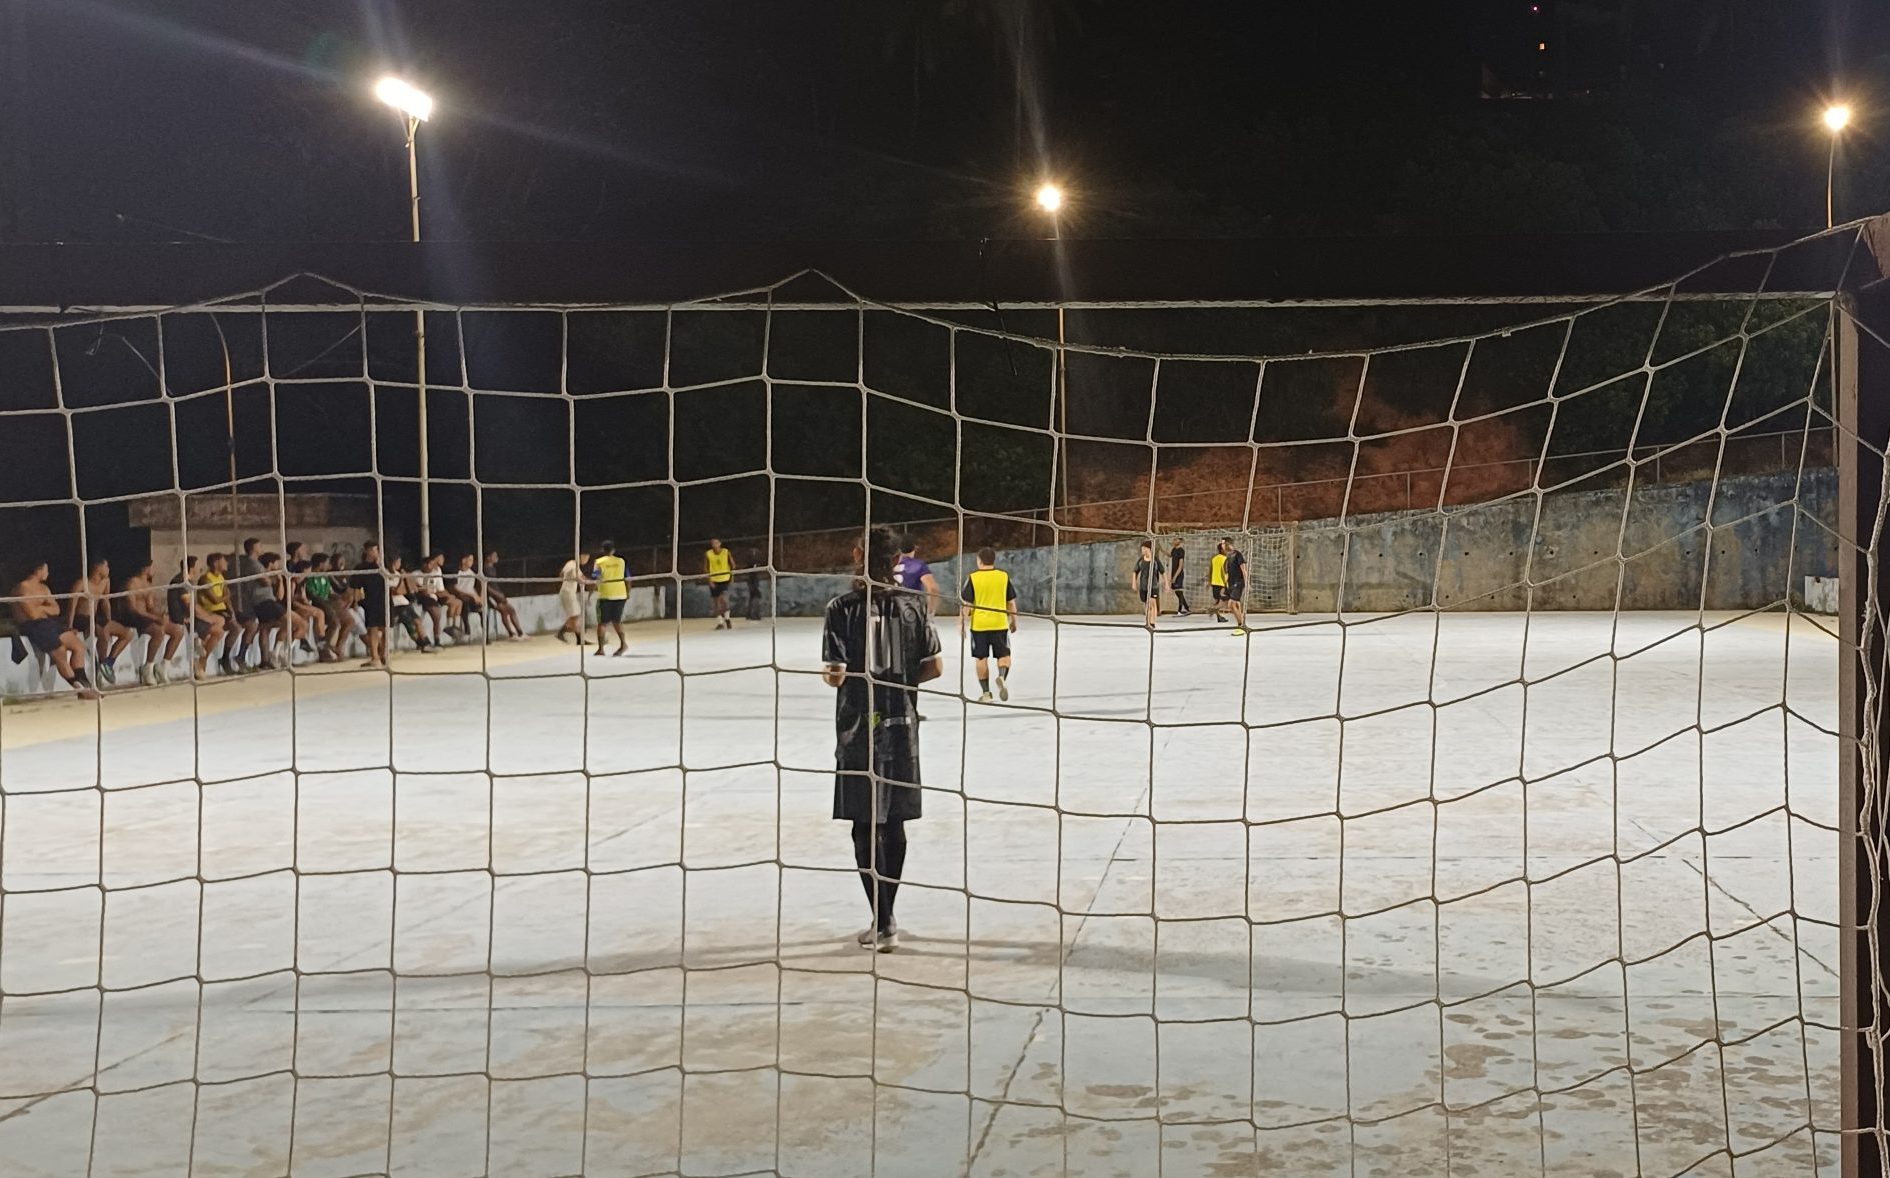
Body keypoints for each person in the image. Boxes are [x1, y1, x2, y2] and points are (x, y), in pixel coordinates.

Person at [821, 525, 943, 954]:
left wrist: (848, 677)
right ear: (898, 561)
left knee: (864, 822)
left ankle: (882, 918)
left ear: (857, 554)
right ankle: (888, 917)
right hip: (901, 725)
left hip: (858, 727)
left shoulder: (841, 608)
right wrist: (901, 683)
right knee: (895, 821)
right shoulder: (914, 606)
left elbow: (835, 674)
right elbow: (935, 667)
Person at [11, 562, 99, 699]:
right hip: (33, 626)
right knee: (60, 653)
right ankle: (80, 689)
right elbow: (33, 615)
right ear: (38, 570)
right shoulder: (23, 588)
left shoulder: (44, 588)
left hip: (48, 623)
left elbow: (56, 609)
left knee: (78, 646)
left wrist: (41, 608)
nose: (48, 573)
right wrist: (44, 608)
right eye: (46, 570)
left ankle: (85, 684)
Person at [960, 546, 1017, 703]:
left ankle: (986, 693)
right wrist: (1014, 620)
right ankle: (1001, 676)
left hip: (979, 625)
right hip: (999, 623)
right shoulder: (1003, 577)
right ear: (993, 560)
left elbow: (967, 604)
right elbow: (1011, 602)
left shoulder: (973, 578)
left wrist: (962, 623)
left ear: (979, 561)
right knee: (1004, 655)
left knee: (981, 658)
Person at [69, 558, 133, 685]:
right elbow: (72, 606)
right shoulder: (82, 583)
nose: (109, 569)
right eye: (106, 566)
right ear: (98, 568)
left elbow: (105, 602)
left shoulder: (105, 582)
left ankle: (108, 663)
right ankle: (101, 666)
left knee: (127, 633)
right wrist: (70, 625)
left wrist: (109, 619)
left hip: (96, 617)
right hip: (82, 618)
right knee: (104, 632)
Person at [123, 559, 184, 686]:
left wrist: (161, 615)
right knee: (158, 632)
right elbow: (132, 609)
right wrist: (154, 618)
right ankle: (148, 667)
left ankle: (163, 666)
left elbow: (150, 607)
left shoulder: (148, 585)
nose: (154, 571)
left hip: (148, 617)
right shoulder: (132, 583)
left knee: (178, 631)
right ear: (146, 569)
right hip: (136, 618)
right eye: (152, 568)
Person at [169, 556, 225, 680]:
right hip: (183, 617)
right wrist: (206, 618)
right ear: (192, 567)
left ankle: (200, 655)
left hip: (190, 615)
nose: (201, 568)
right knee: (218, 629)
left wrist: (207, 616)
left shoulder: (190, 581)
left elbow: (195, 605)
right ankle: (200, 659)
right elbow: (190, 606)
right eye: (198, 565)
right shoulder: (180, 581)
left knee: (220, 622)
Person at [250, 552, 304, 670]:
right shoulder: (262, 573)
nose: (279, 565)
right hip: (266, 603)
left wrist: (279, 580)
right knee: (300, 623)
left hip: (267, 603)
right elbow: (267, 585)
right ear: (271, 563)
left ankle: (266, 659)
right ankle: (281, 652)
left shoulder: (273, 576)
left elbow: (280, 596)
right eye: (277, 562)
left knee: (267, 628)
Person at [198, 553, 243, 675]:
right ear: (216, 563)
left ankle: (225, 657)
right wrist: (227, 595)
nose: (226, 563)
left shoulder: (221, 577)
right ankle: (214, 659)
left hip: (222, 611)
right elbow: (215, 599)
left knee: (236, 628)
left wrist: (231, 611)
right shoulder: (205, 579)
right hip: (211, 611)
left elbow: (225, 597)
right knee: (232, 628)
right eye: (224, 561)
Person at [304, 554, 351, 663]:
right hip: (318, 603)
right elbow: (313, 596)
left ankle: (337, 647)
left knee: (349, 621)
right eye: (327, 563)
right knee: (334, 623)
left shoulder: (325, 576)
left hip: (328, 603)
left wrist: (340, 598)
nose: (329, 565)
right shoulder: (310, 577)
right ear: (320, 564)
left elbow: (331, 592)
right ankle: (326, 648)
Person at [352, 543, 389, 669]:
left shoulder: (383, 564)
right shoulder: (361, 567)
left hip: (385, 598)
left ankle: (384, 654)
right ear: (367, 551)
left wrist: (380, 564)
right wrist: (356, 602)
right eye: (373, 550)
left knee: (385, 628)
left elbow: (391, 578)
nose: (375, 552)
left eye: (377, 550)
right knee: (372, 627)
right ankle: (375, 656)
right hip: (371, 600)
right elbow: (356, 586)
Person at [229, 538, 264, 671]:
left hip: (246, 599)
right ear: (254, 547)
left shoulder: (248, 562)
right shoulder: (251, 564)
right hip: (242, 600)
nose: (262, 547)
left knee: (254, 626)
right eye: (260, 545)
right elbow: (265, 580)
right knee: (252, 625)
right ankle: (239, 656)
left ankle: (244, 657)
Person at [286, 541, 325, 655]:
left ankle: (305, 641)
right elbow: (291, 598)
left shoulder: (303, 582)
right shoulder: (291, 571)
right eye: (303, 549)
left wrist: (305, 601)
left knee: (311, 616)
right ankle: (320, 641)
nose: (306, 551)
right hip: (292, 604)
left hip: (299, 601)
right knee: (318, 613)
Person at [592, 541, 628, 656]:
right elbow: (628, 577)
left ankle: (601, 649)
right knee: (617, 621)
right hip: (620, 594)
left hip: (605, 594)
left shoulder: (599, 562)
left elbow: (595, 578)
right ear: (613, 550)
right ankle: (623, 644)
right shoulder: (621, 561)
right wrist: (628, 592)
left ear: (603, 550)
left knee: (602, 623)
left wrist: (591, 592)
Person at [482, 551, 526, 641]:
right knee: (505, 611)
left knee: (510, 610)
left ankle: (518, 633)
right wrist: (496, 595)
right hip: (491, 596)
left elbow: (494, 584)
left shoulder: (492, 568)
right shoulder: (485, 570)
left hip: (498, 595)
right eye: (494, 556)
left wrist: (501, 594)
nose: (496, 557)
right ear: (488, 558)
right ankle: (513, 634)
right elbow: (486, 586)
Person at [893, 537, 941, 615]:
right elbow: (933, 589)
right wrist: (930, 612)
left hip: (890, 612)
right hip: (910, 612)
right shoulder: (918, 565)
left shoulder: (888, 566)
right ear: (915, 548)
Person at [417, 554, 454, 642]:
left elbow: (439, 589)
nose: (432, 567)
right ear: (424, 565)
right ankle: (435, 638)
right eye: (430, 564)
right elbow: (420, 589)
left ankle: (438, 637)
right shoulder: (416, 574)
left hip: (433, 598)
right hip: (423, 598)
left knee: (438, 614)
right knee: (436, 614)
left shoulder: (435, 574)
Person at [1131, 540, 1165, 630]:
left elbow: (1163, 572)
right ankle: (1148, 621)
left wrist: (1167, 583)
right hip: (1143, 586)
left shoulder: (1155, 560)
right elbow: (1135, 571)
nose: (1142, 550)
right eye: (1142, 549)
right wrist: (1134, 583)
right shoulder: (1141, 560)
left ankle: (1153, 622)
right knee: (1146, 604)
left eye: (1144, 548)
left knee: (1152, 603)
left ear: (1148, 549)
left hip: (1153, 586)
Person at [557, 551, 589, 643]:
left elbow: (561, 574)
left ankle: (579, 639)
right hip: (568, 592)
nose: (586, 560)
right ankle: (561, 632)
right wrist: (587, 582)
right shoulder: (575, 566)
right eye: (586, 557)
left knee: (575, 615)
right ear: (581, 556)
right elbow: (581, 579)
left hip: (566, 591)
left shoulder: (570, 563)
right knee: (575, 615)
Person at [449, 555, 484, 639]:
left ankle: (485, 634)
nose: (472, 562)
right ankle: (467, 632)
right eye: (470, 560)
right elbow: (455, 588)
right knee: (465, 605)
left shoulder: (472, 572)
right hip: (462, 595)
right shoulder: (457, 572)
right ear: (464, 560)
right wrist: (471, 595)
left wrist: (480, 596)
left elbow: (481, 584)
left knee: (483, 610)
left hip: (472, 596)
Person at [706, 538, 734, 629]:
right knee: (716, 602)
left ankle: (727, 618)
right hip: (714, 580)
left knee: (724, 600)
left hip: (725, 579)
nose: (715, 544)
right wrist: (709, 580)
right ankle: (720, 622)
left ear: (720, 543)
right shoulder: (708, 554)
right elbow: (706, 567)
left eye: (716, 543)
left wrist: (732, 576)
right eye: (713, 543)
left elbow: (733, 565)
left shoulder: (726, 552)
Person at [1223, 537, 1249, 635]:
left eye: (1223, 543)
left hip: (1238, 582)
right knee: (1237, 604)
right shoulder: (1228, 557)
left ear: (1229, 544)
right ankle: (1242, 624)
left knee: (1231, 604)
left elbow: (1244, 569)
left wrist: (1247, 582)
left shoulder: (1237, 554)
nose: (1222, 546)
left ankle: (1241, 626)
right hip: (1231, 583)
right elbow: (1228, 573)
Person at [1169, 537, 1192, 618]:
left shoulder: (1181, 551)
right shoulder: (1173, 550)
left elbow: (1180, 566)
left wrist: (1175, 576)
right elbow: (1169, 555)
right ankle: (1187, 608)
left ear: (1180, 541)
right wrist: (1160, 548)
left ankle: (1179, 610)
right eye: (1174, 539)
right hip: (1173, 573)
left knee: (1179, 591)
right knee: (1177, 592)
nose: (1174, 541)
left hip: (1178, 574)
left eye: (1176, 539)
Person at [1208, 541, 1229, 624]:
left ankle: (1219, 617)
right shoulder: (1225, 559)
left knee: (1217, 601)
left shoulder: (1214, 558)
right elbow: (1225, 572)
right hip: (1222, 583)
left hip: (1214, 583)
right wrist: (1225, 584)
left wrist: (1209, 581)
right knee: (1225, 600)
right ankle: (1212, 609)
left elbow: (1210, 570)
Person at [744, 547, 765, 623]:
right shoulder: (750, 563)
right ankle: (753, 614)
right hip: (752, 579)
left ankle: (752, 614)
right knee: (754, 595)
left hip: (754, 579)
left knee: (754, 596)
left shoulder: (757, 562)